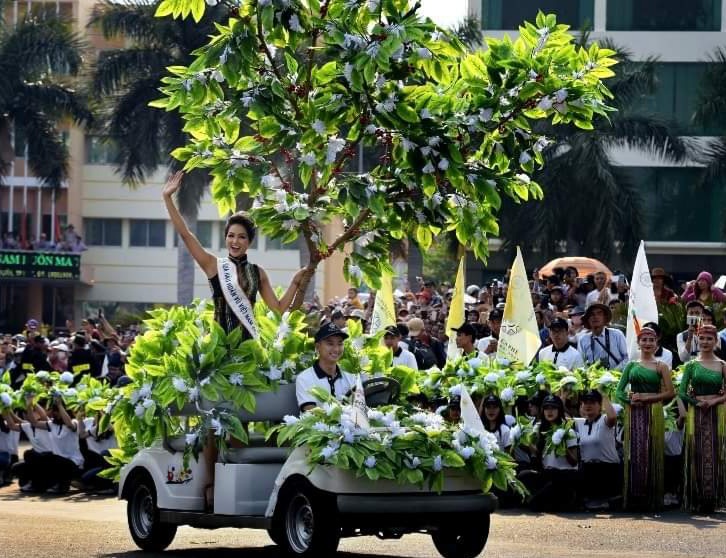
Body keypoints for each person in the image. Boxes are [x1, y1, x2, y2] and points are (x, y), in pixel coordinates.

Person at [163, 170, 305, 337]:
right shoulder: (213, 265)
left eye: (241, 237)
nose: (235, 242)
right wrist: (167, 198)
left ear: (249, 242)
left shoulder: (258, 273)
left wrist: (295, 283)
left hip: (248, 345)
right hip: (219, 345)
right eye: (231, 236)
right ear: (225, 238)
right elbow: (186, 235)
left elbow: (278, 310)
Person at [616, 327, 675, 511]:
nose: (648, 343)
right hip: (634, 412)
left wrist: (647, 399)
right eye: (644, 340)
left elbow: (670, 392)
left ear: (657, 343)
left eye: (651, 340)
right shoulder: (631, 366)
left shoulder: (661, 366)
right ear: (639, 343)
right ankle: (635, 495)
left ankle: (652, 497)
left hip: (653, 410)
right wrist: (630, 401)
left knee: (653, 449)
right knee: (636, 450)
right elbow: (619, 391)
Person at [677, 324, 726, 513]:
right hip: (696, 413)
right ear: (697, 340)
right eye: (702, 338)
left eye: (709, 339)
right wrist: (696, 403)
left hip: (716, 413)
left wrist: (713, 402)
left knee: (714, 452)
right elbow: (681, 392)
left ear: (715, 341)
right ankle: (697, 498)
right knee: (696, 452)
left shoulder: (722, 366)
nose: (705, 342)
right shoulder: (691, 365)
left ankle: (712, 498)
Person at [528, 395, 579, 512]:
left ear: (559, 410)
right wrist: (526, 442)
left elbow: (574, 462)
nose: (549, 411)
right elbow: (538, 454)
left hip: (564, 475)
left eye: (553, 408)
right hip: (547, 473)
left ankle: (567, 499)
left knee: (552, 488)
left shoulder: (568, 431)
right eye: (546, 408)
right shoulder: (539, 430)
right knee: (524, 476)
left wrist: (562, 446)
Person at [574, 389, 621, 509]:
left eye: (592, 402)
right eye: (585, 402)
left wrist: (604, 395)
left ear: (600, 406)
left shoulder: (604, 420)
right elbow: (560, 419)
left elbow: (612, 417)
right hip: (588, 469)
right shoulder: (579, 423)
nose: (588, 405)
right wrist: (562, 393)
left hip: (607, 469)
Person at [296, 323, 357, 411]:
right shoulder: (304, 378)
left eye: (340, 344)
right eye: (330, 344)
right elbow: (311, 411)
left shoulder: (350, 378)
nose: (336, 349)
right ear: (317, 347)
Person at [578, 303, 628, 369]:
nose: (595, 317)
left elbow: (627, 358)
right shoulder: (583, 340)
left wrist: (614, 372)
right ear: (588, 320)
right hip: (593, 378)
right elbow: (581, 363)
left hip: (617, 376)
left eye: (599, 313)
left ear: (605, 318)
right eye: (592, 314)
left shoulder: (617, 334)